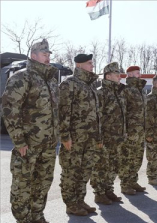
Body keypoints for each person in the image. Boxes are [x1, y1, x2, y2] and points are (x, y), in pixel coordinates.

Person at [2, 39, 59, 223]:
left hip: (49, 145)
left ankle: (37, 215)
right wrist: (19, 140)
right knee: (23, 185)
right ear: (33, 56)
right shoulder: (22, 77)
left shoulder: (50, 80)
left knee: (43, 183)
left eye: (49, 54)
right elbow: (10, 109)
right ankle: (23, 219)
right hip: (28, 144)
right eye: (44, 54)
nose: (48, 58)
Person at [59, 53, 102, 216]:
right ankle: (71, 203)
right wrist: (65, 136)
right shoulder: (69, 84)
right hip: (75, 138)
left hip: (89, 138)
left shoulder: (90, 85)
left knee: (85, 171)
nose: (92, 65)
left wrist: (98, 137)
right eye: (89, 63)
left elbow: (96, 114)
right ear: (79, 65)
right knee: (71, 171)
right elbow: (63, 112)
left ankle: (79, 200)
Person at [90, 62, 125, 205]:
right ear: (108, 76)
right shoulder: (101, 92)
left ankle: (108, 189)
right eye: (117, 75)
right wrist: (99, 137)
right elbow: (96, 117)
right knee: (101, 166)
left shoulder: (119, 93)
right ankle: (99, 193)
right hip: (104, 137)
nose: (119, 77)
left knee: (114, 164)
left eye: (119, 74)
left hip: (117, 137)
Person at [118, 66, 147, 195]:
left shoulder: (140, 91)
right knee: (127, 158)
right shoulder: (126, 90)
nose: (139, 75)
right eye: (137, 73)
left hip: (140, 131)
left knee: (138, 157)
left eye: (139, 73)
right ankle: (125, 184)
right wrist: (125, 130)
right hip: (130, 131)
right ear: (129, 75)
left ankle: (133, 181)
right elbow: (122, 112)